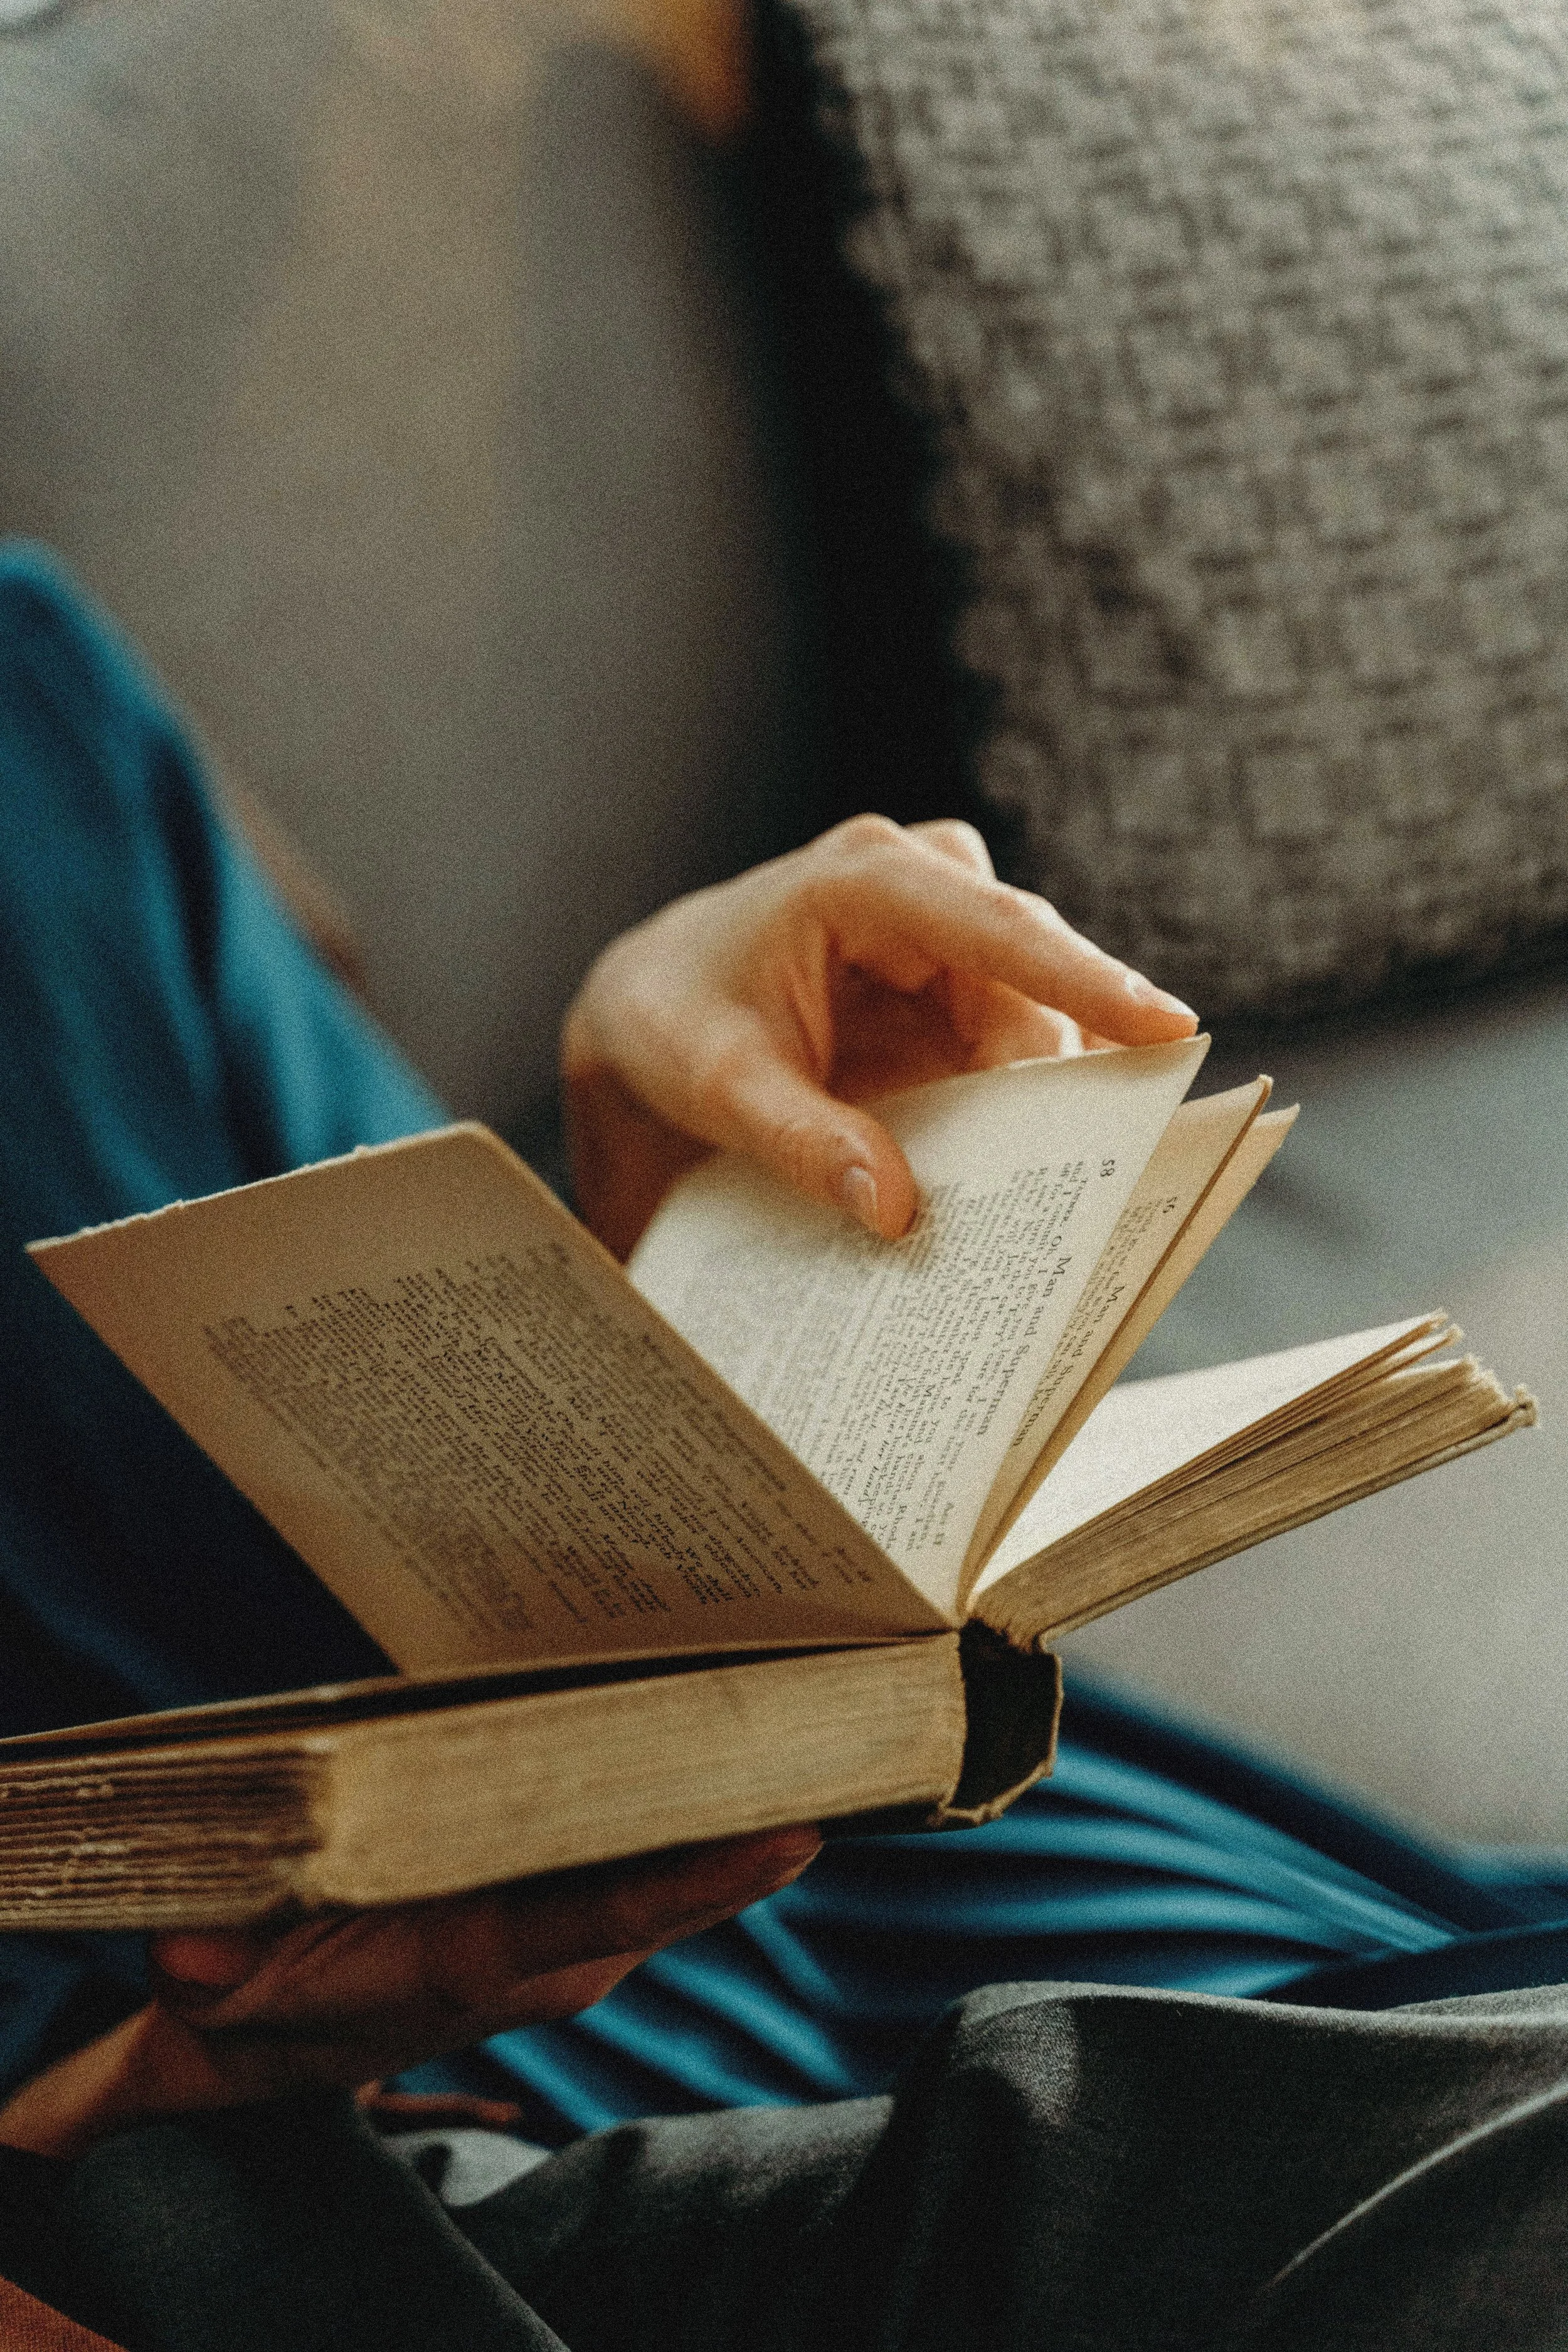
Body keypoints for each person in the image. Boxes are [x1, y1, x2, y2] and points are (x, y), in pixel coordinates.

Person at [0, 538, 1567, 2348]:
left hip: (866, 1859)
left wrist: (676, 1245)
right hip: (376, 2176)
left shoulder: (36, 719)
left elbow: (328, 1370)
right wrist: (128, 2088)